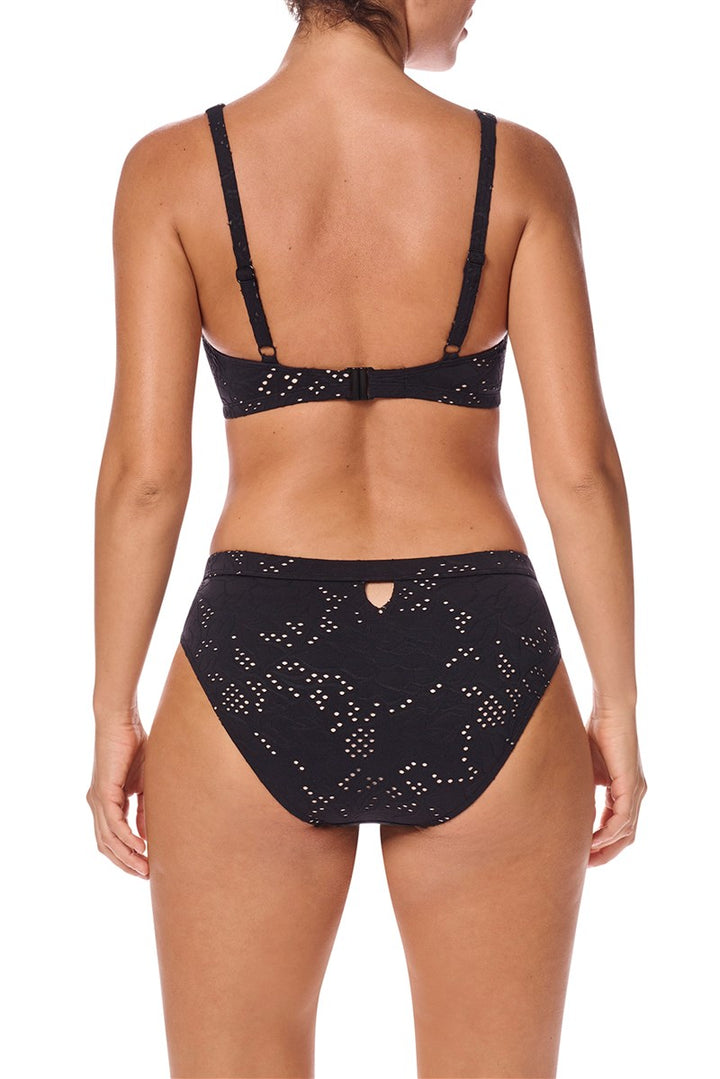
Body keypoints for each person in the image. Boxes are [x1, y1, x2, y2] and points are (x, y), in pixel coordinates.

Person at [87, 1, 647, 1075]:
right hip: (483, 648)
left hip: (256, 647)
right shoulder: (516, 167)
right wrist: (616, 701)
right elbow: (580, 472)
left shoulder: (174, 170)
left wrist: (115, 708)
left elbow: (146, 477)